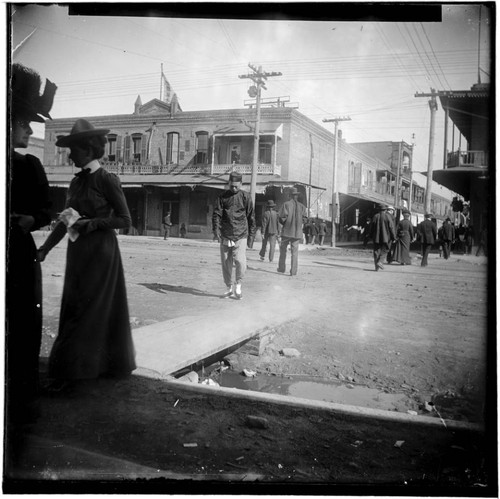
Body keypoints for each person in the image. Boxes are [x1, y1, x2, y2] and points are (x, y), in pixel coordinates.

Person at [37, 119, 136, 392]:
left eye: (74, 149)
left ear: (89, 149)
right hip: (78, 252)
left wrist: (91, 224)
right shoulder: (76, 182)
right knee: (75, 307)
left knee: (88, 311)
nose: (70, 155)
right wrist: (45, 248)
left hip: (101, 253)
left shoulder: (107, 179)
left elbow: (124, 219)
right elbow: (64, 221)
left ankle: (71, 376)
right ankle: (91, 368)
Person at [6, 63, 57, 423]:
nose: (28, 129)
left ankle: (23, 394)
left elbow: (45, 211)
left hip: (19, 253)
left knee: (23, 321)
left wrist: (30, 220)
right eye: (23, 123)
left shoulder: (31, 166)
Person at [212, 171, 256, 300]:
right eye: (232, 186)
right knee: (226, 262)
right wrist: (216, 231)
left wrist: (251, 237)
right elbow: (217, 215)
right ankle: (229, 288)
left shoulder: (246, 197)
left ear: (241, 184)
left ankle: (238, 285)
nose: (234, 188)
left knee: (240, 261)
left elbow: (251, 217)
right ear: (229, 184)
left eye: (236, 186)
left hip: (241, 234)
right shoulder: (222, 197)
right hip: (225, 234)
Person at [277, 187, 308, 276]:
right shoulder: (302, 207)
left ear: (289, 195)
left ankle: (282, 268)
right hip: (297, 233)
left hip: (286, 232)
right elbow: (305, 220)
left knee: (283, 250)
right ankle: (293, 272)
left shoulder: (286, 204)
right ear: (297, 196)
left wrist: (283, 223)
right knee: (294, 253)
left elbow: (282, 218)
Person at [369, 203, 396, 271]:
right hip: (386, 237)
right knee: (386, 249)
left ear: (379, 210)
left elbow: (371, 227)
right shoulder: (388, 217)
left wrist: (370, 235)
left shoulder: (375, 216)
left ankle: (376, 267)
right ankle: (380, 262)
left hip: (376, 238)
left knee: (376, 251)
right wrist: (394, 237)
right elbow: (391, 228)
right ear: (385, 210)